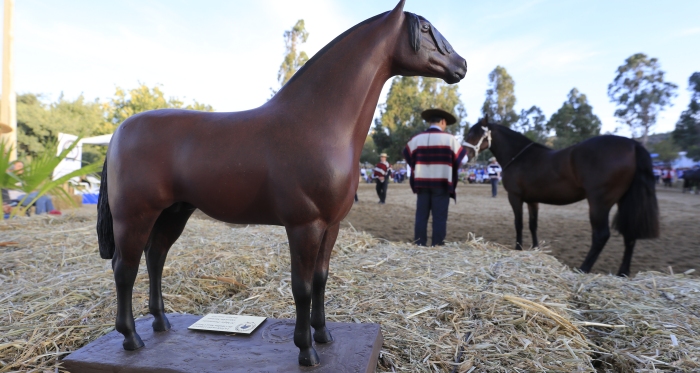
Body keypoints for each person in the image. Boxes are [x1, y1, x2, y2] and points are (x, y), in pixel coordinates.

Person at [403, 108, 467, 246]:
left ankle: (420, 244)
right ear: (443, 122)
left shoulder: (416, 139)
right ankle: (437, 246)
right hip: (442, 184)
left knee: (421, 216)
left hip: (421, 184)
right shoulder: (450, 139)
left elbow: (407, 155)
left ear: (430, 122)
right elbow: (464, 159)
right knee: (439, 218)